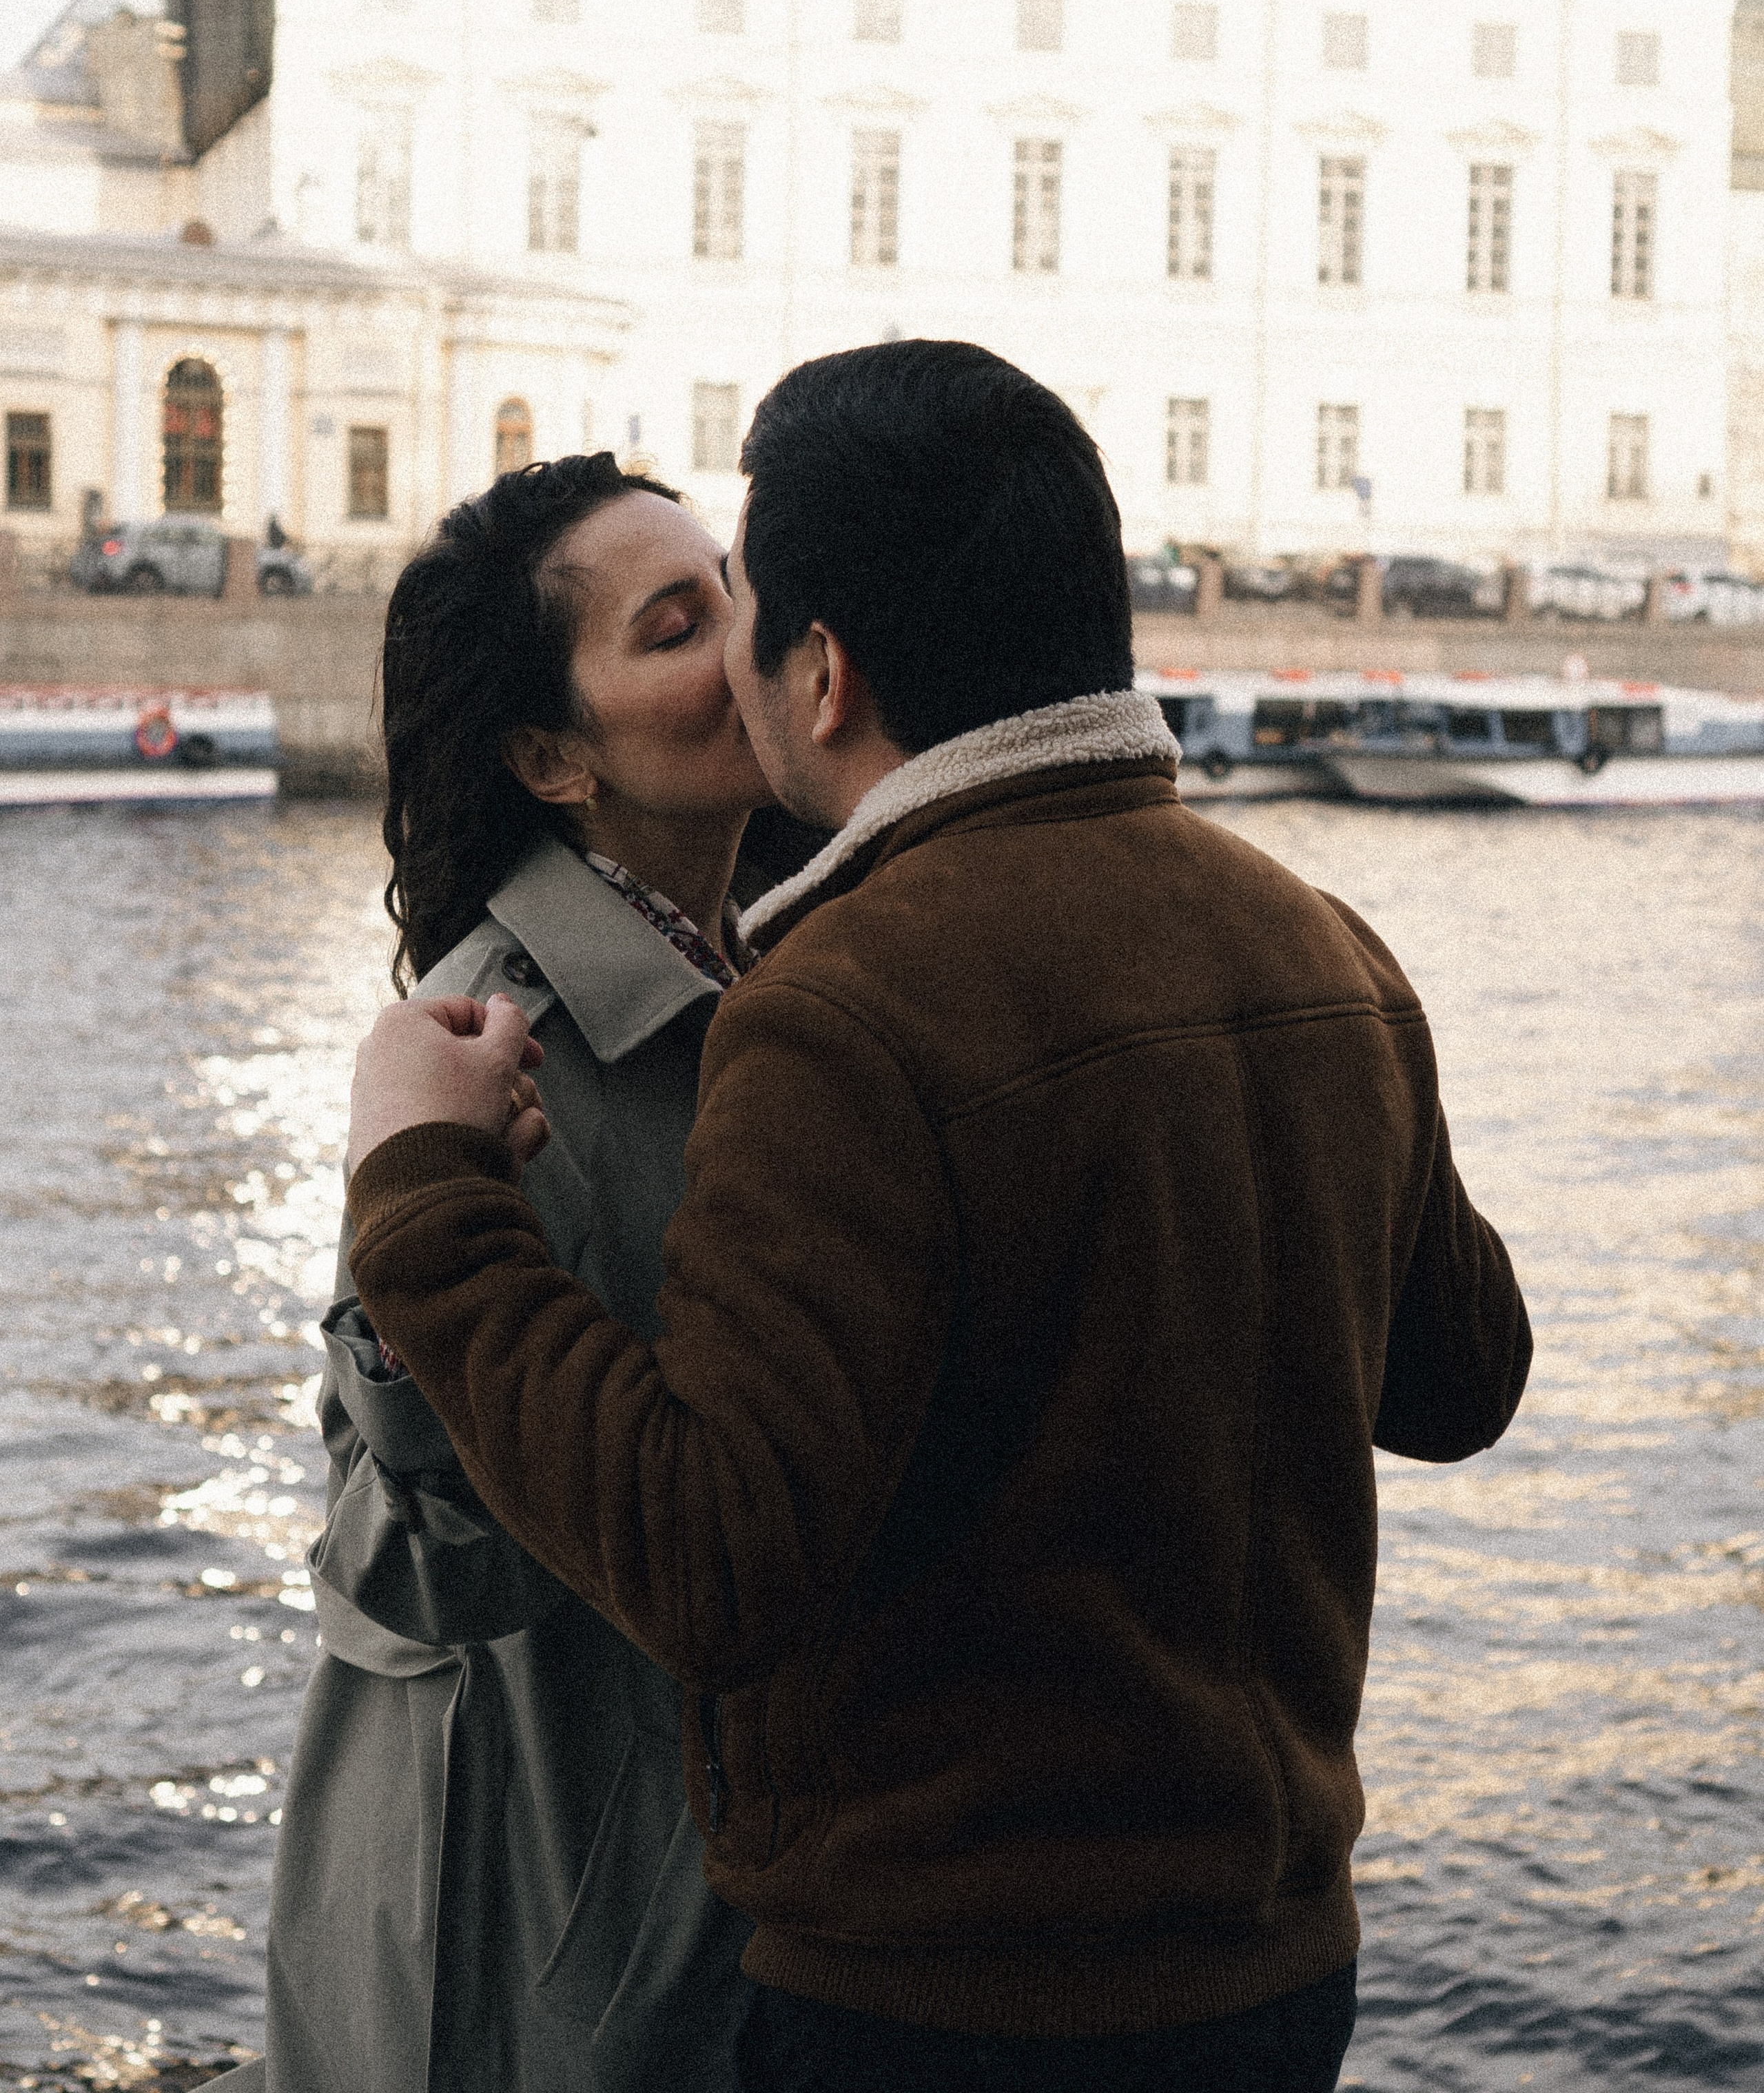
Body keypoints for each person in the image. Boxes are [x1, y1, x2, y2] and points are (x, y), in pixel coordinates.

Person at [340, 342, 1533, 2093]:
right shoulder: (1315, 938)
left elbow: (715, 1561)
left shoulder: (842, 1010)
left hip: (949, 1996)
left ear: (818, 678)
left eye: (741, 610)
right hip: (1272, 1960)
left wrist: (431, 1206)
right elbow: (1460, 1378)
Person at [220, 453, 769, 2093]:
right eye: (680, 625)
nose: (747, 640)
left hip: (687, 1896)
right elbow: (418, 1566)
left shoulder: (768, 960)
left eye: (737, 589)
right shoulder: (481, 1044)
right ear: (552, 757)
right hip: (528, 1923)